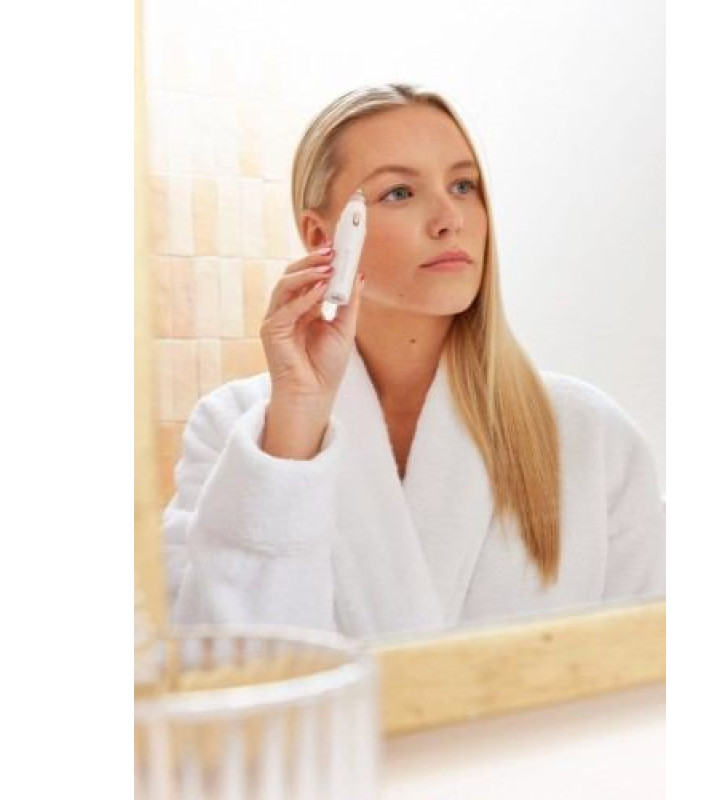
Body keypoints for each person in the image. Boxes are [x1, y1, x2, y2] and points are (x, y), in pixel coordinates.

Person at [164, 83, 665, 642]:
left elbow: (650, 666)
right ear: (322, 236)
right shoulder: (234, 430)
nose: (450, 219)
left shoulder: (592, 435)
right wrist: (296, 423)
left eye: (463, 185)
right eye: (400, 192)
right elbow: (222, 664)